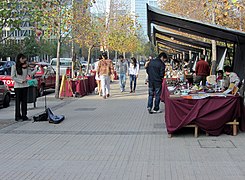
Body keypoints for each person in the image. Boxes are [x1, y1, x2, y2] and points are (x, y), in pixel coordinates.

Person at [11, 53, 38, 121]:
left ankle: (24, 115)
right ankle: (17, 116)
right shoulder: (14, 66)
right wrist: (20, 81)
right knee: (18, 102)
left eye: (24, 59)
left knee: (24, 102)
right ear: (19, 59)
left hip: (25, 86)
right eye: (22, 59)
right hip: (17, 86)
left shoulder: (26, 67)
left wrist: (36, 69)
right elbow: (13, 77)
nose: (24, 60)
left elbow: (30, 74)